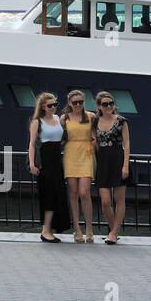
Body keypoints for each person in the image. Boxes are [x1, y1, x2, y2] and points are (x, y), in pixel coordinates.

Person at [28, 92, 70, 242]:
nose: (53, 107)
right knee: (48, 195)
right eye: (50, 105)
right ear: (43, 107)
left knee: (58, 193)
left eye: (55, 105)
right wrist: (32, 163)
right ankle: (45, 230)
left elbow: (62, 138)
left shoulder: (58, 119)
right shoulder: (36, 122)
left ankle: (50, 229)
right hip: (45, 162)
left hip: (57, 160)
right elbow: (32, 144)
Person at [93, 91, 130, 244]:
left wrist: (125, 165)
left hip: (118, 160)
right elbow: (93, 142)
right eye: (105, 104)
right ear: (99, 106)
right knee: (106, 201)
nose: (108, 106)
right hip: (101, 162)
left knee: (119, 199)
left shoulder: (121, 121)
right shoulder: (94, 121)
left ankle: (113, 233)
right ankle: (113, 230)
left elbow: (127, 143)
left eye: (111, 103)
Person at [61, 89, 96, 243]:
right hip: (70, 153)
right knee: (73, 192)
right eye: (75, 102)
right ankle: (77, 229)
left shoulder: (90, 116)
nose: (78, 105)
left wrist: (93, 143)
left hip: (86, 153)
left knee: (84, 192)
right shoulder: (64, 118)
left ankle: (89, 228)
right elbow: (60, 137)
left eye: (80, 102)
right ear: (69, 103)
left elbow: (95, 135)